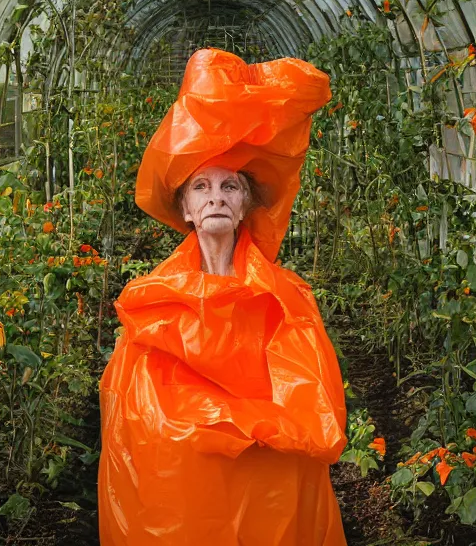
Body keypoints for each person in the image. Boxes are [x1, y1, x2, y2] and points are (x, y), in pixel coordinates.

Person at [98, 48, 348, 546]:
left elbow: (312, 407)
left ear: (243, 207)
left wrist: (236, 424)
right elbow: (137, 424)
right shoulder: (155, 306)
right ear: (186, 209)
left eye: (230, 187)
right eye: (202, 187)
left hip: (266, 503)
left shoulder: (287, 299)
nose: (216, 196)